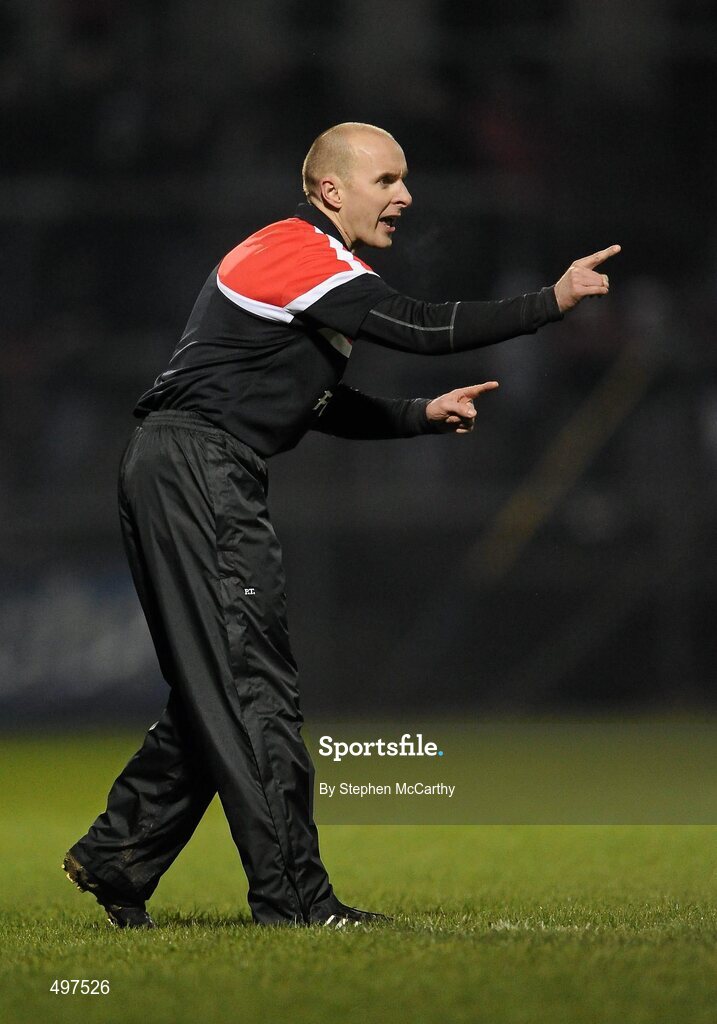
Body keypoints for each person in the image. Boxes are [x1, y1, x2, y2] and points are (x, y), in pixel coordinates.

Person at [63, 122, 620, 929]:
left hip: (181, 465)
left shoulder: (307, 270)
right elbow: (420, 324)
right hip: (198, 471)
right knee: (252, 686)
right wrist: (551, 302)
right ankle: (295, 902)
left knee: (218, 681)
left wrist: (417, 416)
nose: (405, 196)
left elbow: (311, 401)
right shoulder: (302, 253)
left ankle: (120, 854)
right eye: (386, 180)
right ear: (330, 190)